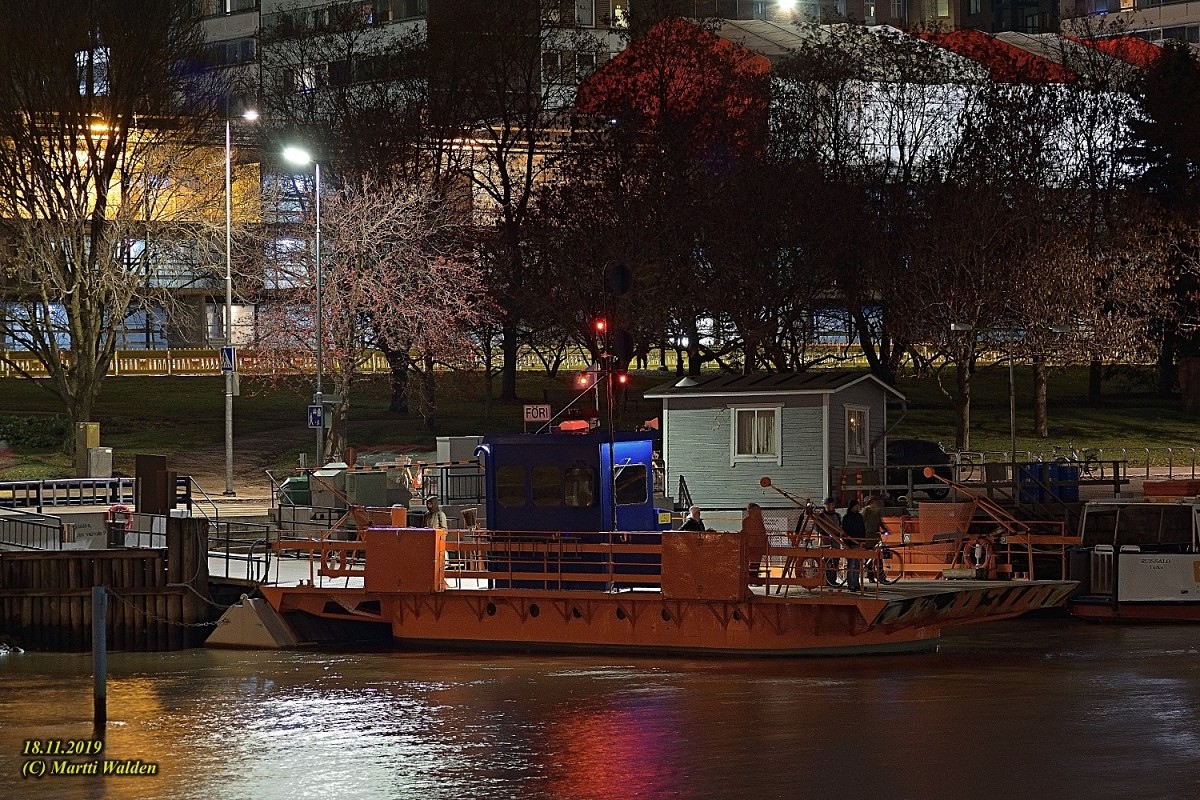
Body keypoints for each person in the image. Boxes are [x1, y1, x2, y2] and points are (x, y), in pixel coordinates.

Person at [841, 499, 867, 591]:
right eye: (856, 505)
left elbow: (862, 529)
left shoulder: (858, 516)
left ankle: (856, 583)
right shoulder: (847, 517)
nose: (858, 507)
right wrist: (846, 543)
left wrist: (863, 540)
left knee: (857, 565)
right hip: (851, 543)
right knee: (851, 564)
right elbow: (845, 531)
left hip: (858, 543)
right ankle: (851, 583)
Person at [742, 503, 769, 587]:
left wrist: (766, 542)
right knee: (753, 562)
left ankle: (754, 578)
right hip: (753, 544)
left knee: (756, 562)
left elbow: (762, 533)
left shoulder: (758, 521)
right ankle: (752, 579)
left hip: (758, 543)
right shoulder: (748, 521)